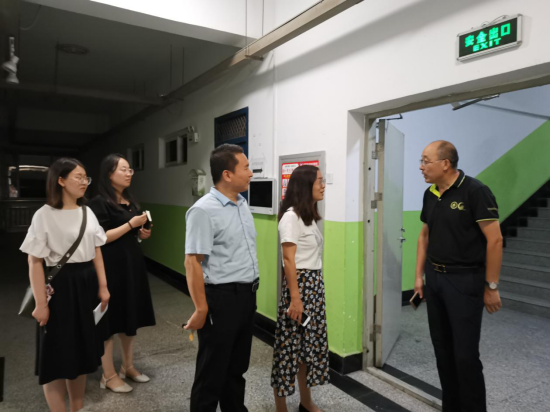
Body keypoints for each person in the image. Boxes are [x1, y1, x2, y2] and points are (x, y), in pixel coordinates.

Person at [415, 141, 503, 413]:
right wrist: (418, 277)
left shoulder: (475, 191)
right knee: (442, 351)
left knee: (465, 356)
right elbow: (424, 235)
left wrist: (491, 286)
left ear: (445, 163)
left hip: (465, 281)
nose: (421, 167)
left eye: (426, 160)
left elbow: (495, 240)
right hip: (435, 279)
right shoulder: (430, 193)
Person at [20, 158, 110, 413]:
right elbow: (34, 261)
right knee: (56, 355)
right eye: (78, 177)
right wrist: (41, 304)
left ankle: (77, 408)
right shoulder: (44, 215)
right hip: (59, 287)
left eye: (86, 178)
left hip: (86, 284)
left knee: (80, 353)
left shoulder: (87, 212)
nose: (84, 182)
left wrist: (103, 286)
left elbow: (97, 251)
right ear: (60, 180)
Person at [184, 144, 259, 412]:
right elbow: (192, 262)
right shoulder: (203, 210)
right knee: (211, 372)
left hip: (247, 296)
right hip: (222, 299)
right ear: (227, 174)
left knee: (236, 368)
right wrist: (201, 308)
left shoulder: (242, 204)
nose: (251, 173)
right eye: (246, 167)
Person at [89, 154, 156, 393]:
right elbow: (100, 238)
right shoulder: (99, 203)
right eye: (123, 169)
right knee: (109, 321)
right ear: (109, 174)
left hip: (131, 265)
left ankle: (128, 366)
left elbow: (131, 233)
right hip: (109, 267)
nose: (129, 174)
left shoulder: (130, 201)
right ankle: (107, 375)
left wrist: (141, 233)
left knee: (130, 316)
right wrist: (130, 225)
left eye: (130, 170)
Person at [272, 165, 328, 413]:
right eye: (319, 181)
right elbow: (288, 260)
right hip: (299, 289)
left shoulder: (308, 217)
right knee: (288, 351)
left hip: (313, 289)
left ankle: (306, 402)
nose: (323, 186)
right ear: (306, 186)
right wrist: (295, 299)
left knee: (307, 350)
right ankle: (281, 407)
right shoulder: (291, 217)